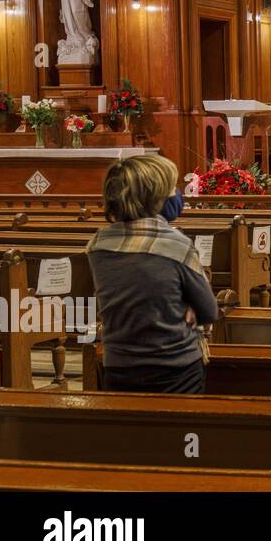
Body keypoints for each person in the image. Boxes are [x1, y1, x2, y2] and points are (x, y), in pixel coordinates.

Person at [87, 154, 218, 394]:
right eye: (172, 189)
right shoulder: (175, 244)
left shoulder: (98, 245)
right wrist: (188, 302)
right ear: (155, 199)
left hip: (119, 365)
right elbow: (209, 310)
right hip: (175, 367)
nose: (177, 195)